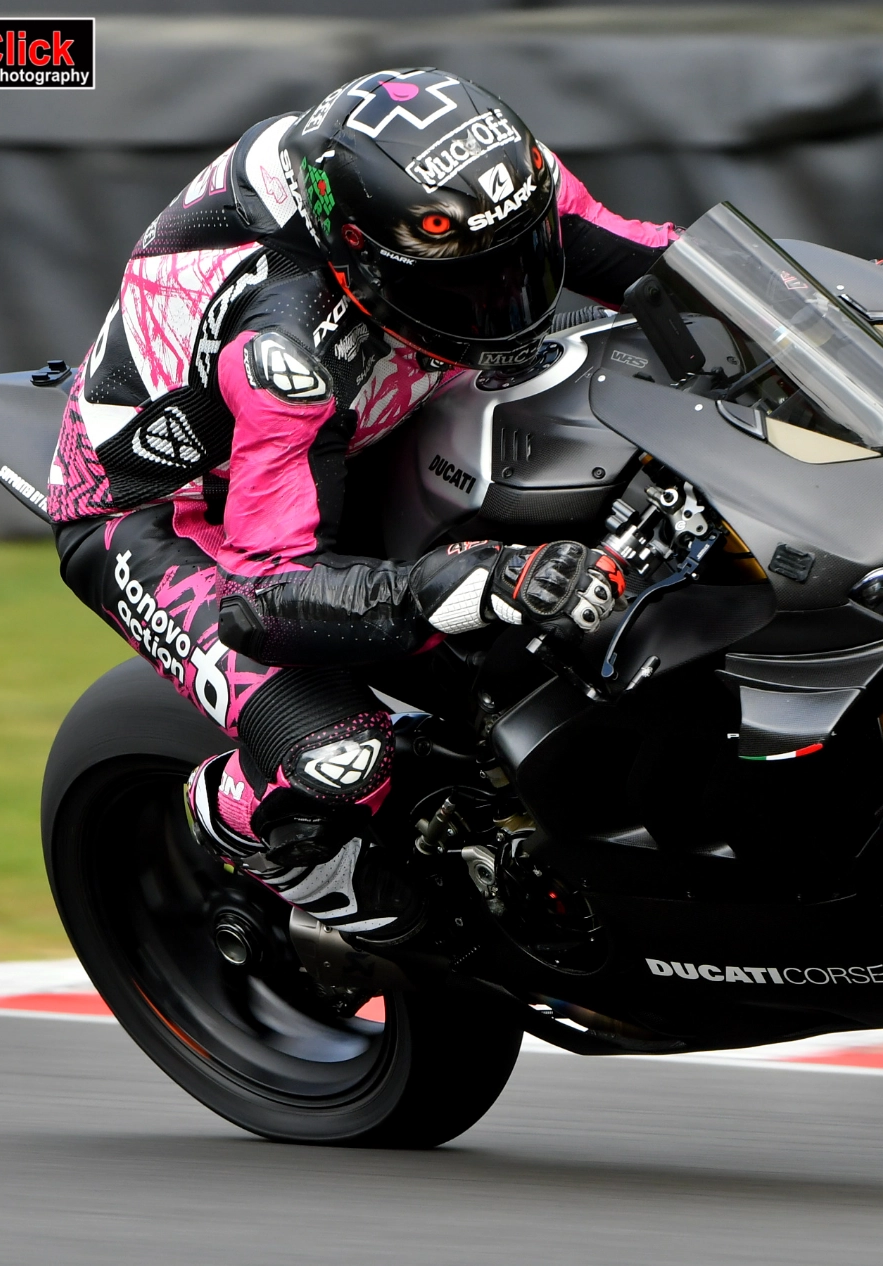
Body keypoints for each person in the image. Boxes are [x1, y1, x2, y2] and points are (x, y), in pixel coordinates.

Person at [47, 68, 672, 945]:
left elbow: (648, 258)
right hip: (171, 517)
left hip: (363, 420)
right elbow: (267, 600)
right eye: (468, 287)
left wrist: (823, 306)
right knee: (341, 759)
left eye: (517, 264)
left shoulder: (481, 183)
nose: (506, 300)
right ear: (359, 260)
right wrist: (474, 581)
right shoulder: (286, 352)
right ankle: (248, 827)